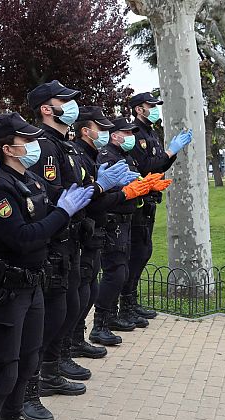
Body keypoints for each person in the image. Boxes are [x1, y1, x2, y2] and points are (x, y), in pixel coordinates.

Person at [0, 112, 93, 420]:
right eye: (27, 139)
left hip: (31, 285)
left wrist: (65, 214)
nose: (34, 145)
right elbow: (23, 238)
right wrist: (61, 214)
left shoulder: (31, 182)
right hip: (4, 290)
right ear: (9, 148)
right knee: (1, 372)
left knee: (27, 363)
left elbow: (45, 229)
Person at [91, 117, 171, 344]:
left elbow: (134, 182)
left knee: (125, 268)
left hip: (128, 217)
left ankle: (120, 312)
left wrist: (147, 186)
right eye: (125, 133)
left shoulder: (125, 156)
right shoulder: (107, 155)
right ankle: (100, 324)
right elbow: (110, 188)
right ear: (114, 135)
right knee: (115, 272)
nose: (130, 137)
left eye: (131, 133)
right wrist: (134, 188)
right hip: (113, 220)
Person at [69, 107, 139, 358]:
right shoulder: (81, 154)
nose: (106, 133)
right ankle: (83, 335)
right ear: (86, 130)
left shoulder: (92, 154)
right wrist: (123, 193)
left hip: (101, 224)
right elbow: (93, 198)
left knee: (90, 285)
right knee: (91, 283)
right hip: (97, 224)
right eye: (102, 128)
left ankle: (77, 339)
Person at [123, 93, 192, 320]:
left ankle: (131, 301)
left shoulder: (151, 133)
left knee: (144, 252)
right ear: (138, 110)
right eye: (150, 106)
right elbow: (145, 167)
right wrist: (170, 152)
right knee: (136, 253)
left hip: (150, 200)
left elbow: (158, 165)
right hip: (138, 201)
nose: (154, 109)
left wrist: (168, 155)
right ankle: (125, 305)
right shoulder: (135, 134)